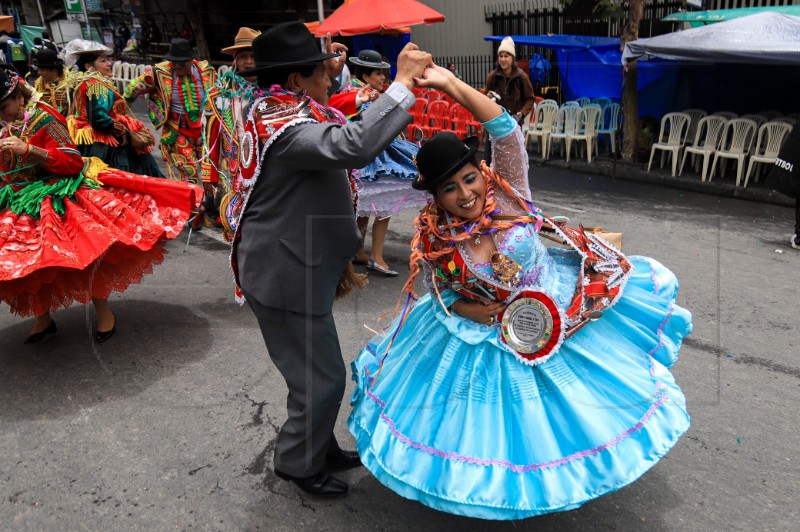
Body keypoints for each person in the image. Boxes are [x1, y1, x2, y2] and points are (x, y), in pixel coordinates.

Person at [348, 64, 692, 519]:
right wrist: (469, 309)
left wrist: (450, 85)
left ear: (481, 171)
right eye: (449, 189)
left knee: (573, 410)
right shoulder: (436, 237)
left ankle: (569, 473)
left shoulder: (511, 194)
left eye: (469, 178)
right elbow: (442, 293)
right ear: (435, 197)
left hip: (558, 310)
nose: (465, 194)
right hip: (491, 330)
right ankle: (505, 490)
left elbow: (505, 131)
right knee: (498, 426)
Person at [229, 21, 430, 497]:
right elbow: (353, 146)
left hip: (295, 265)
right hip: (284, 272)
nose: (332, 75)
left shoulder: (285, 109)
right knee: (321, 379)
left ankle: (317, 445)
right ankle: (298, 462)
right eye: (323, 70)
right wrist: (399, 86)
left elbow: (346, 123)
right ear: (296, 80)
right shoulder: (285, 127)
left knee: (318, 373)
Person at [0, 66, 200, 344]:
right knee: (29, 262)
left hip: (57, 196)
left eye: (4, 106)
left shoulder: (44, 119)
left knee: (87, 255)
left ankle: (105, 314)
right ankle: (42, 318)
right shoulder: (5, 126)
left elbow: (71, 162)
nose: (2, 113)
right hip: (20, 202)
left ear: (19, 98)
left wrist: (29, 150)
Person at [338, 49, 427, 276]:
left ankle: (359, 252)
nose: (383, 79)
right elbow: (375, 127)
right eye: (378, 74)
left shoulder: (357, 92)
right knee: (382, 208)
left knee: (364, 207)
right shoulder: (362, 96)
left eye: (383, 74)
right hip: (374, 160)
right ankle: (376, 257)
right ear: (366, 76)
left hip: (364, 159)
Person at [124, 38, 217, 184]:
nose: (177, 67)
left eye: (181, 64)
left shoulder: (206, 72)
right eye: (174, 63)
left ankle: (212, 204)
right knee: (188, 171)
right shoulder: (159, 73)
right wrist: (120, 107)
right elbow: (133, 88)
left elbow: (219, 94)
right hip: (178, 130)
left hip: (205, 131)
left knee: (210, 172)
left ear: (191, 60)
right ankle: (191, 205)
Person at [64, 39, 162, 177]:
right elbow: (98, 117)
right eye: (103, 61)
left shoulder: (85, 84)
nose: (109, 64)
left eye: (108, 60)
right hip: (112, 146)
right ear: (88, 66)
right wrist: (124, 132)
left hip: (95, 143)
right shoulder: (97, 86)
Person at [201, 27, 261, 232]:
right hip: (234, 173)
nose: (250, 61)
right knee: (235, 226)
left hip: (266, 171)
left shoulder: (274, 91)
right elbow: (209, 138)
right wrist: (210, 178)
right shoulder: (218, 95)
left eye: (254, 56)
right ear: (235, 59)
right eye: (244, 56)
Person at [484, 36, 534, 163]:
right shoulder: (493, 76)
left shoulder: (522, 77)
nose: (503, 59)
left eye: (506, 56)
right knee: (491, 163)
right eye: (501, 56)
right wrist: (488, 97)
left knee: (511, 163)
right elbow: (485, 98)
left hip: (513, 125)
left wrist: (521, 113)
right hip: (494, 125)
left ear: (513, 58)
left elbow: (530, 99)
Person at [33, 49, 68, 116]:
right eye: (38, 69)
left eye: (42, 70)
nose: (39, 73)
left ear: (54, 71)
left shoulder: (69, 83)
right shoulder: (37, 84)